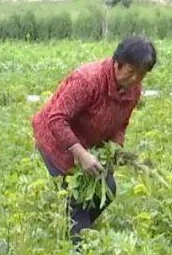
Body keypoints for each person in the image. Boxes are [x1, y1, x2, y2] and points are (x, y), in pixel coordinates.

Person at [32, 35, 157, 244]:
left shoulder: (133, 91)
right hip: (56, 143)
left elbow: (121, 124)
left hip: (90, 148)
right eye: (131, 72)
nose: (135, 79)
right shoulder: (88, 80)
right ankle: (77, 245)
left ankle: (72, 229)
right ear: (118, 63)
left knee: (107, 191)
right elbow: (57, 119)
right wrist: (80, 154)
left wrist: (114, 149)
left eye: (141, 74)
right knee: (77, 199)